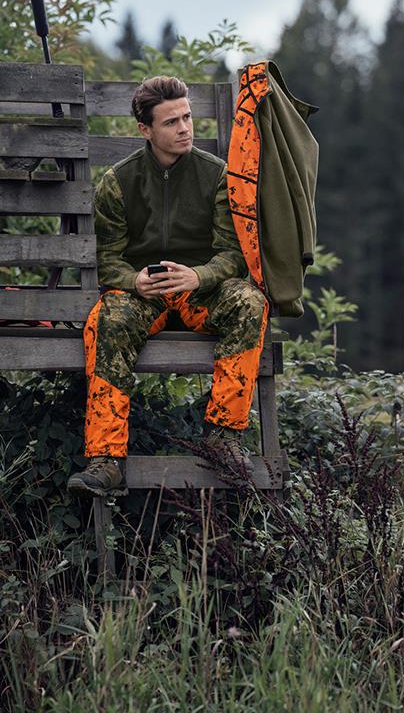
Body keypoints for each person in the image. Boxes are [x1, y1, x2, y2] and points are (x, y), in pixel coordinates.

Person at [67, 76, 268, 496]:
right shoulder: (118, 181)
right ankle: (106, 460)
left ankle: (224, 437)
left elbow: (234, 253)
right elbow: (106, 258)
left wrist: (200, 276)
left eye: (187, 117)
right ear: (145, 129)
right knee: (107, 318)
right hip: (146, 297)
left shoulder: (217, 175)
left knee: (251, 302)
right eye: (171, 122)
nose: (184, 128)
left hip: (202, 295)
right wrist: (133, 281)